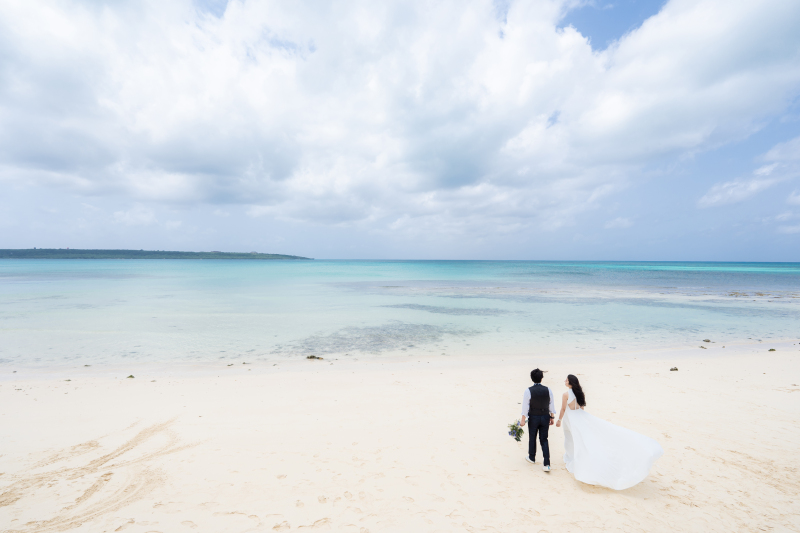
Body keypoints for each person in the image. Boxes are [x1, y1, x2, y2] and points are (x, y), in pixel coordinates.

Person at [556, 374, 663, 490]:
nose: (564, 381)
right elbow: (581, 407)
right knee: (582, 439)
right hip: (580, 417)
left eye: (566, 380)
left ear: (570, 382)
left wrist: (559, 420)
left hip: (571, 419)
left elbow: (563, 409)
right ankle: (572, 457)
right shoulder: (580, 393)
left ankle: (571, 458)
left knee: (570, 439)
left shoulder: (566, 394)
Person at [520, 368, 555, 472]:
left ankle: (532, 457)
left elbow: (525, 407)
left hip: (534, 417)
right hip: (545, 416)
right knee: (544, 439)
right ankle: (547, 464)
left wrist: (523, 420)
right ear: (542, 378)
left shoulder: (528, 390)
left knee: (532, 437)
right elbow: (551, 404)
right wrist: (552, 417)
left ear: (532, 378)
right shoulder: (548, 390)